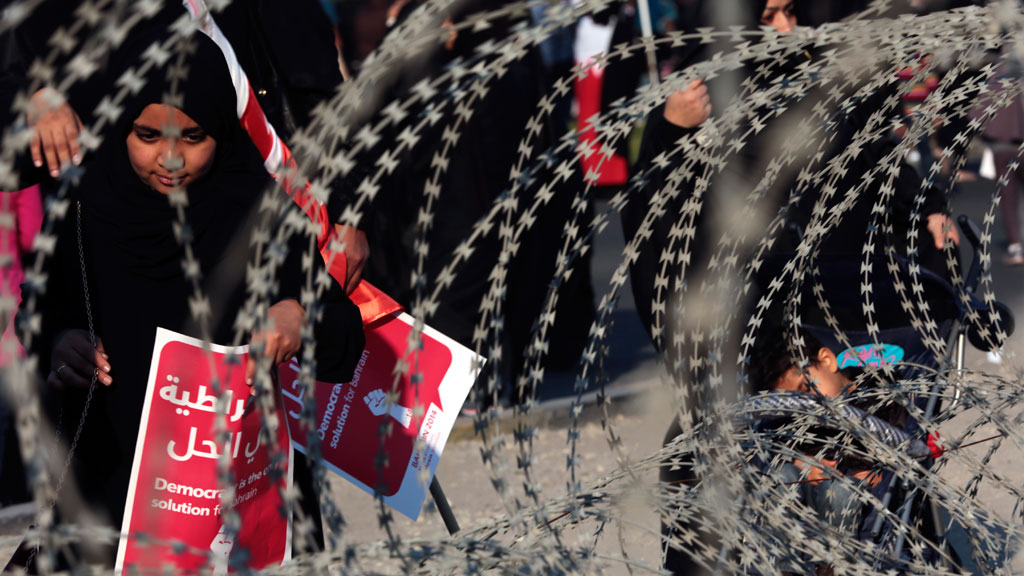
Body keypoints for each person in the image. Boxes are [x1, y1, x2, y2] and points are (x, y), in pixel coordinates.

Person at [27, 31, 364, 567]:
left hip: (244, 501)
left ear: (221, 131)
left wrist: (300, 317)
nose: (171, 159)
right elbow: (37, 317)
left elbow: (346, 336)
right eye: (147, 135)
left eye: (193, 136)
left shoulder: (255, 212)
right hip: (113, 494)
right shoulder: (87, 208)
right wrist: (62, 344)